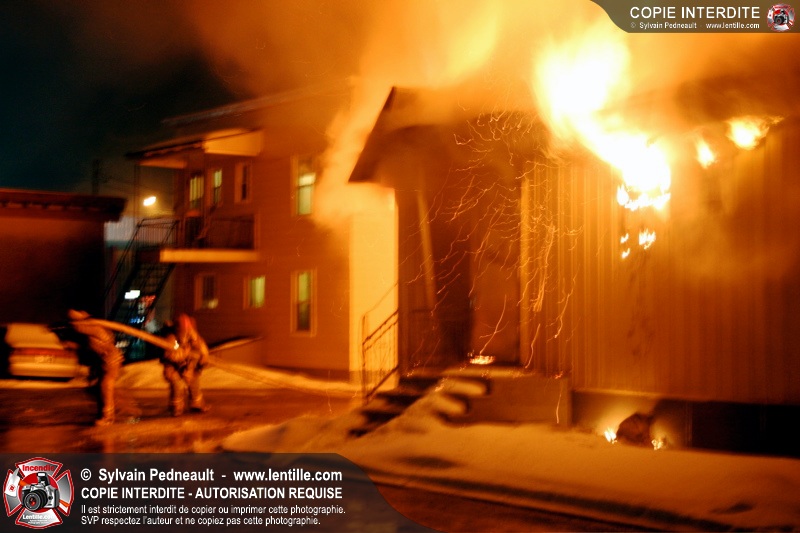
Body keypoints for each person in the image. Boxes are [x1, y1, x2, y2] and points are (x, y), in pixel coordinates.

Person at [67, 309, 124, 426]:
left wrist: (74, 323)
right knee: (100, 387)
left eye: (75, 314)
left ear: (84, 313)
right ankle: (105, 413)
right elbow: (88, 344)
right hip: (105, 359)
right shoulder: (93, 327)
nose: (72, 317)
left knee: (106, 386)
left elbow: (78, 328)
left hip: (110, 359)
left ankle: (107, 416)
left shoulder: (93, 327)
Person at [160, 313, 210, 416]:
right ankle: (176, 407)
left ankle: (196, 403)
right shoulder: (171, 338)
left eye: (188, 331)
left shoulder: (193, 336)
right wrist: (183, 354)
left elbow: (201, 348)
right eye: (183, 331)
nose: (185, 333)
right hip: (173, 366)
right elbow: (171, 355)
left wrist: (203, 357)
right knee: (177, 384)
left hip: (188, 364)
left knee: (194, 381)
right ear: (178, 329)